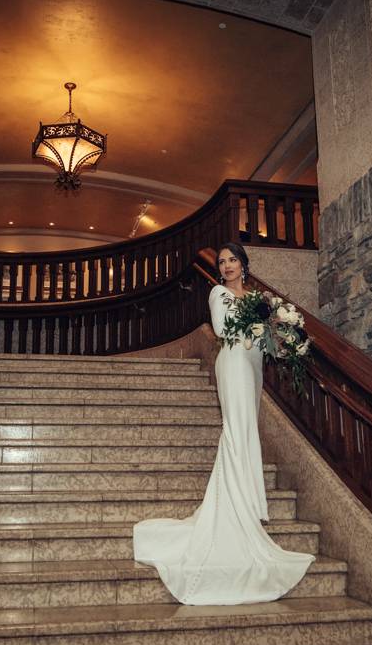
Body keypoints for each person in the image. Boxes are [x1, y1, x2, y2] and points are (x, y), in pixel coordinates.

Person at [132, 242, 313, 605]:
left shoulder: (258, 297)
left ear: (244, 265)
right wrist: (258, 323)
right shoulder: (218, 293)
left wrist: (281, 334)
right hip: (232, 362)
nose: (227, 266)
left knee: (246, 432)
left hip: (253, 365)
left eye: (233, 260)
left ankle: (243, 502)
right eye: (223, 262)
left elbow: (265, 343)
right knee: (236, 430)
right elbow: (222, 327)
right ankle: (235, 510)